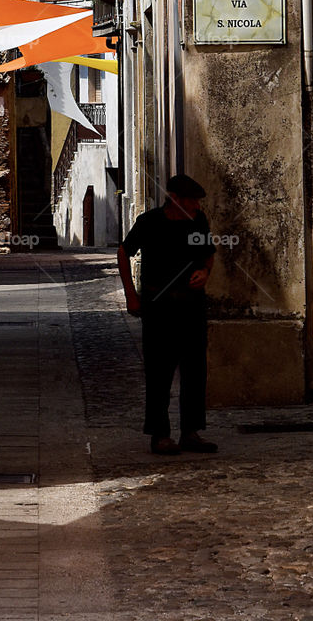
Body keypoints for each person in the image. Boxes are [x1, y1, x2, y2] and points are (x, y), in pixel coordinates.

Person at [117, 173, 218, 456]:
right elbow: (124, 252)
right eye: (193, 201)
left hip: (192, 305)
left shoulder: (198, 222)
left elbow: (208, 253)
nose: (198, 206)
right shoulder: (149, 223)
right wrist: (130, 295)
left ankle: (191, 432)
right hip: (159, 307)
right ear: (175, 199)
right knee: (159, 371)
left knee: (195, 370)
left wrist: (205, 272)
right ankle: (160, 435)